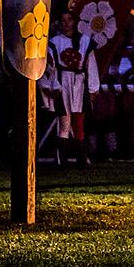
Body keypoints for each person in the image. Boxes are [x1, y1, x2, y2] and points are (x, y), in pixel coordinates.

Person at [47, 10, 100, 166]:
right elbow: (51, 66)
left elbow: (91, 66)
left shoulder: (84, 41)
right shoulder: (55, 42)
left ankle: (81, 159)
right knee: (64, 122)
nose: (66, 24)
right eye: (63, 21)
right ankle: (62, 160)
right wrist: (53, 85)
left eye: (69, 20)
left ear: (74, 22)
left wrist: (92, 89)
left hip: (79, 84)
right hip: (63, 83)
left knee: (79, 121)